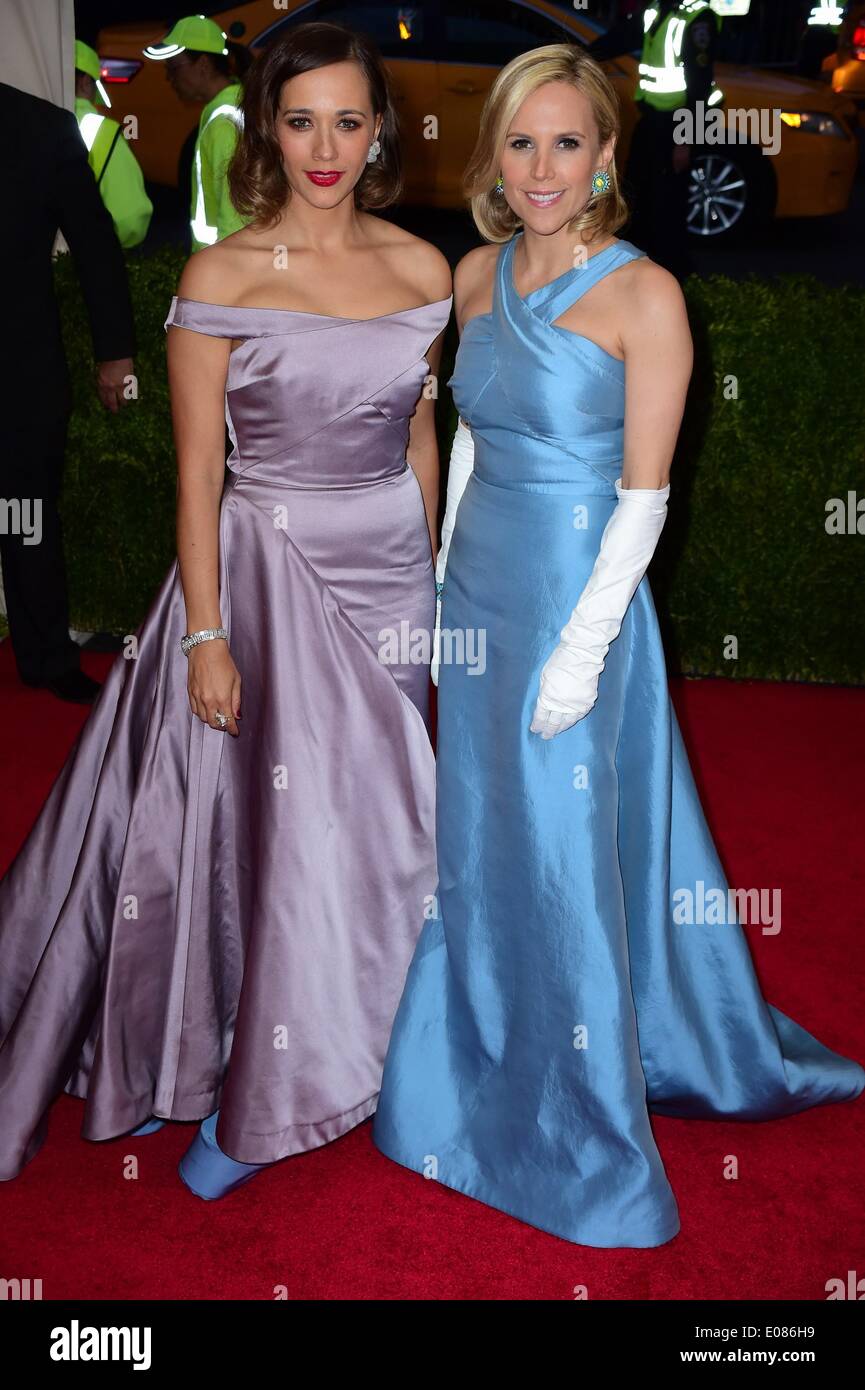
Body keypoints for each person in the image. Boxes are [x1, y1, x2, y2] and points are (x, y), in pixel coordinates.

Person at [371, 44, 865, 1248]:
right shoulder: (475, 274)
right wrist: (441, 593)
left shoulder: (645, 295)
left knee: (560, 848)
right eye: (522, 142)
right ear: (494, 149)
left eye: (568, 144)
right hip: (482, 599)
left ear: (605, 157)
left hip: (577, 609)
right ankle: (470, 1057)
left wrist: (580, 654)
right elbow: (473, 437)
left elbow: (645, 500)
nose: (542, 168)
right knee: (481, 840)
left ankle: (573, 1115)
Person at [0, 22, 452, 1199]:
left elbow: (419, 438)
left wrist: (438, 591)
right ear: (266, 129)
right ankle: (260, 1082)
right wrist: (203, 632)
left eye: (349, 121)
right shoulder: (222, 274)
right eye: (301, 119)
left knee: (382, 818)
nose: (325, 146)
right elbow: (198, 474)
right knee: (284, 832)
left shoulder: (422, 269)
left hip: (390, 573)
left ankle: (376, 1046)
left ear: (378, 133)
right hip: (261, 571)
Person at [0, 81, 136, 705]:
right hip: (25, 372)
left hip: (19, 373)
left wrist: (115, 351)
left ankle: (45, 653)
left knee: (24, 515)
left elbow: (94, 243)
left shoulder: (39, 126)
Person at [589, 1, 721, 278]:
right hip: (651, 119)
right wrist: (581, 54)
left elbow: (699, 83)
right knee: (638, 190)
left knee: (668, 203)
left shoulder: (698, 17)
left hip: (678, 124)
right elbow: (622, 38)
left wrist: (685, 141)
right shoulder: (656, 9)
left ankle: (672, 273)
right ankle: (636, 266)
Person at [144, 14, 252, 251]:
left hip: (223, 269)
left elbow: (234, 214)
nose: (169, 78)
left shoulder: (224, 120)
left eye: (173, 68)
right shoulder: (230, 107)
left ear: (203, 64)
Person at [74, 39, 153, 249]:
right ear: (84, 82)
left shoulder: (19, 119)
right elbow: (130, 218)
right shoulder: (100, 130)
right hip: (77, 260)